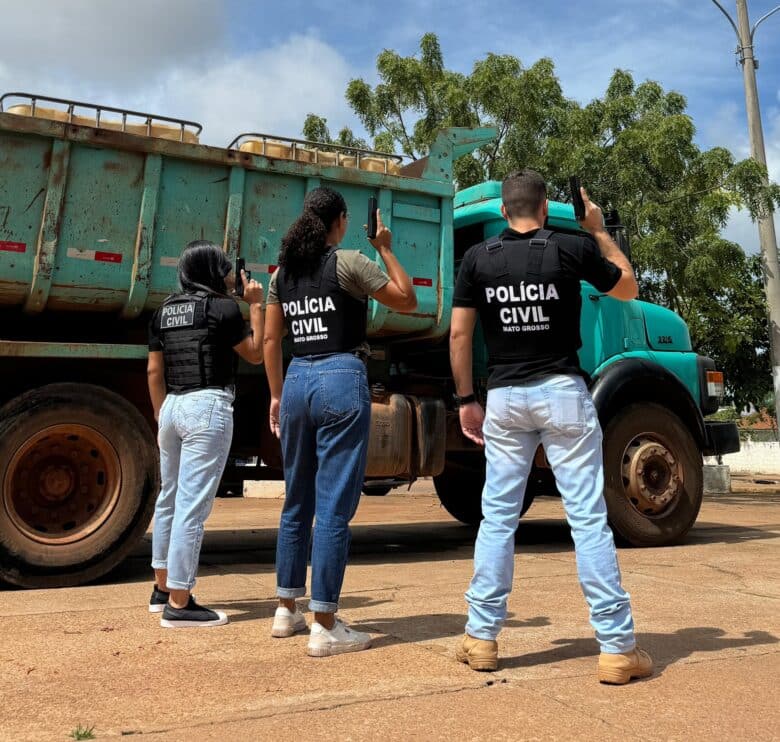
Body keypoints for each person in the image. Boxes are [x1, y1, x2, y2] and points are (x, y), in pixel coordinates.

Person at [449, 169, 653, 683]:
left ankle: (481, 638)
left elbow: (458, 335)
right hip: (562, 392)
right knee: (587, 519)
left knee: (497, 519)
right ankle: (616, 649)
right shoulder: (571, 247)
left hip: (505, 397)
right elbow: (627, 287)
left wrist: (466, 400)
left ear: (503, 211)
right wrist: (600, 230)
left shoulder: (476, 260)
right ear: (543, 209)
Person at [264, 186, 416, 656]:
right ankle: (325, 623)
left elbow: (270, 341)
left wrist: (275, 395)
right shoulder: (349, 262)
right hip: (340, 376)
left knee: (297, 502)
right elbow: (406, 300)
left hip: (295, 381)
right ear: (342, 221)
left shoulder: (282, 274)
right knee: (333, 507)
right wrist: (386, 248)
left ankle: (286, 609)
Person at [147, 240, 264, 628]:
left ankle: (162, 588)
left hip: (172, 406)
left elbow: (152, 371)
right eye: (226, 268)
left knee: (169, 498)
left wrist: (162, 412)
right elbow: (256, 354)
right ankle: (180, 604)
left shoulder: (163, 311)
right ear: (212, 271)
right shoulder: (223, 308)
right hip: (207, 406)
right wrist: (257, 305)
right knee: (192, 507)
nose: (231, 274)